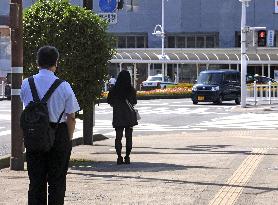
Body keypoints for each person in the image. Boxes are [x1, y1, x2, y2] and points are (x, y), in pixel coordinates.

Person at [20, 46, 80, 205]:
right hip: (58, 133)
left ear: (37, 62)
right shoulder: (64, 86)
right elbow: (71, 117)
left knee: (36, 181)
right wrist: (68, 138)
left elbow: (25, 106)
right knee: (57, 181)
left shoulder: (27, 83)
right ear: (56, 63)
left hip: (35, 134)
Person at [107, 70, 138, 165]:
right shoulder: (131, 89)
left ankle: (119, 157)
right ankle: (127, 157)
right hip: (129, 116)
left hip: (118, 115)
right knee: (129, 137)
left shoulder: (114, 89)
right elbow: (134, 102)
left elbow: (109, 101)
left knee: (118, 137)